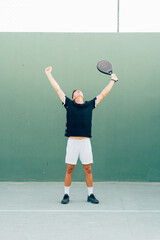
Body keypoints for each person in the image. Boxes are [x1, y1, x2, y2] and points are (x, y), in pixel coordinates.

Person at [45, 66, 118, 204]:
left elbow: (103, 94)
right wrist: (48, 74)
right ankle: (66, 195)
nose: (77, 92)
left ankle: (90, 195)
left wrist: (112, 81)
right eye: (75, 92)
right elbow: (57, 89)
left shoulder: (90, 104)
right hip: (72, 142)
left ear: (82, 96)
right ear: (73, 97)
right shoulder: (69, 104)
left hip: (85, 142)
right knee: (69, 169)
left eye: (79, 91)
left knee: (88, 169)